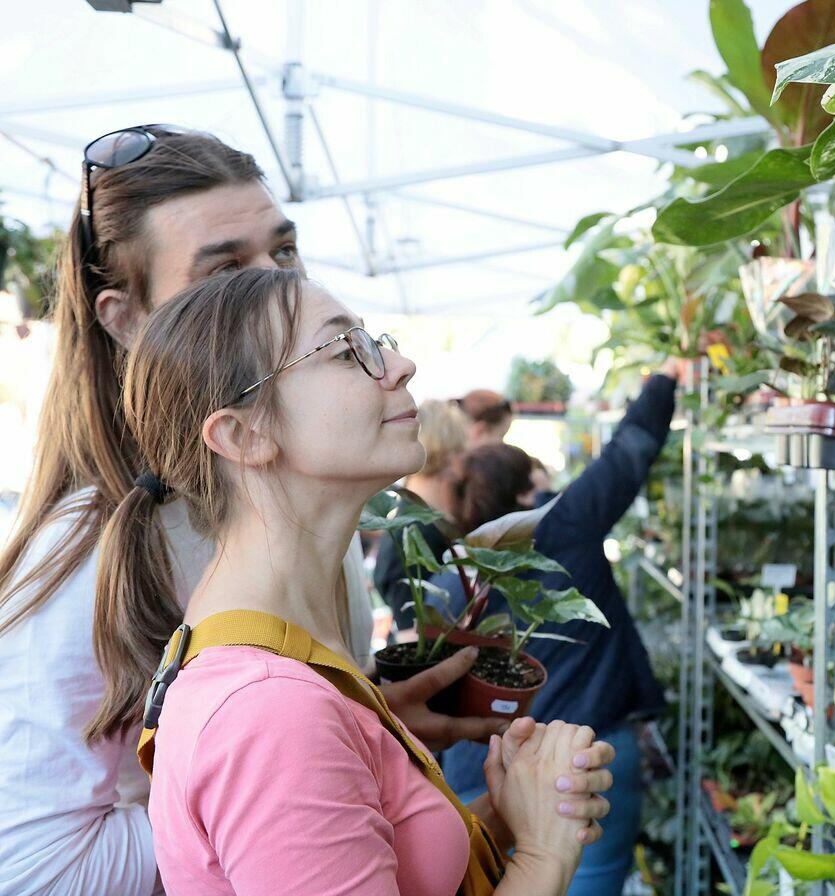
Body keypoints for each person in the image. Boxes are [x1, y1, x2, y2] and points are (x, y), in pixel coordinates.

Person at [0, 126, 611, 896]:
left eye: (284, 252)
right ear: (125, 319)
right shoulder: (84, 557)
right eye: (225, 271)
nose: (274, 284)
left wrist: (368, 748)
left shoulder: (290, 514)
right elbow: (32, 863)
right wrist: (297, 781)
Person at [107, 267, 610, 895]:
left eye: (376, 343)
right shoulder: (270, 714)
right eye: (347, 352)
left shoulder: (281, 656)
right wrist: (546, 850)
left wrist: (514, 813)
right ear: (244, 434)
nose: (402, 366)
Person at [438, 360, 684, 896]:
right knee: (589, 880)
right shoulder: (563, 525)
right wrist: (665, 378)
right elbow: (628, 454)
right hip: (586, 755)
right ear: (528, 493)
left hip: (479, 769)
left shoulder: (447, 575)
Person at [374, 398, 469, 630]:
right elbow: (411, 631)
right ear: (449, 452)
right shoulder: (415, 528)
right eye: (461, 449)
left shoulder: (422, 520)